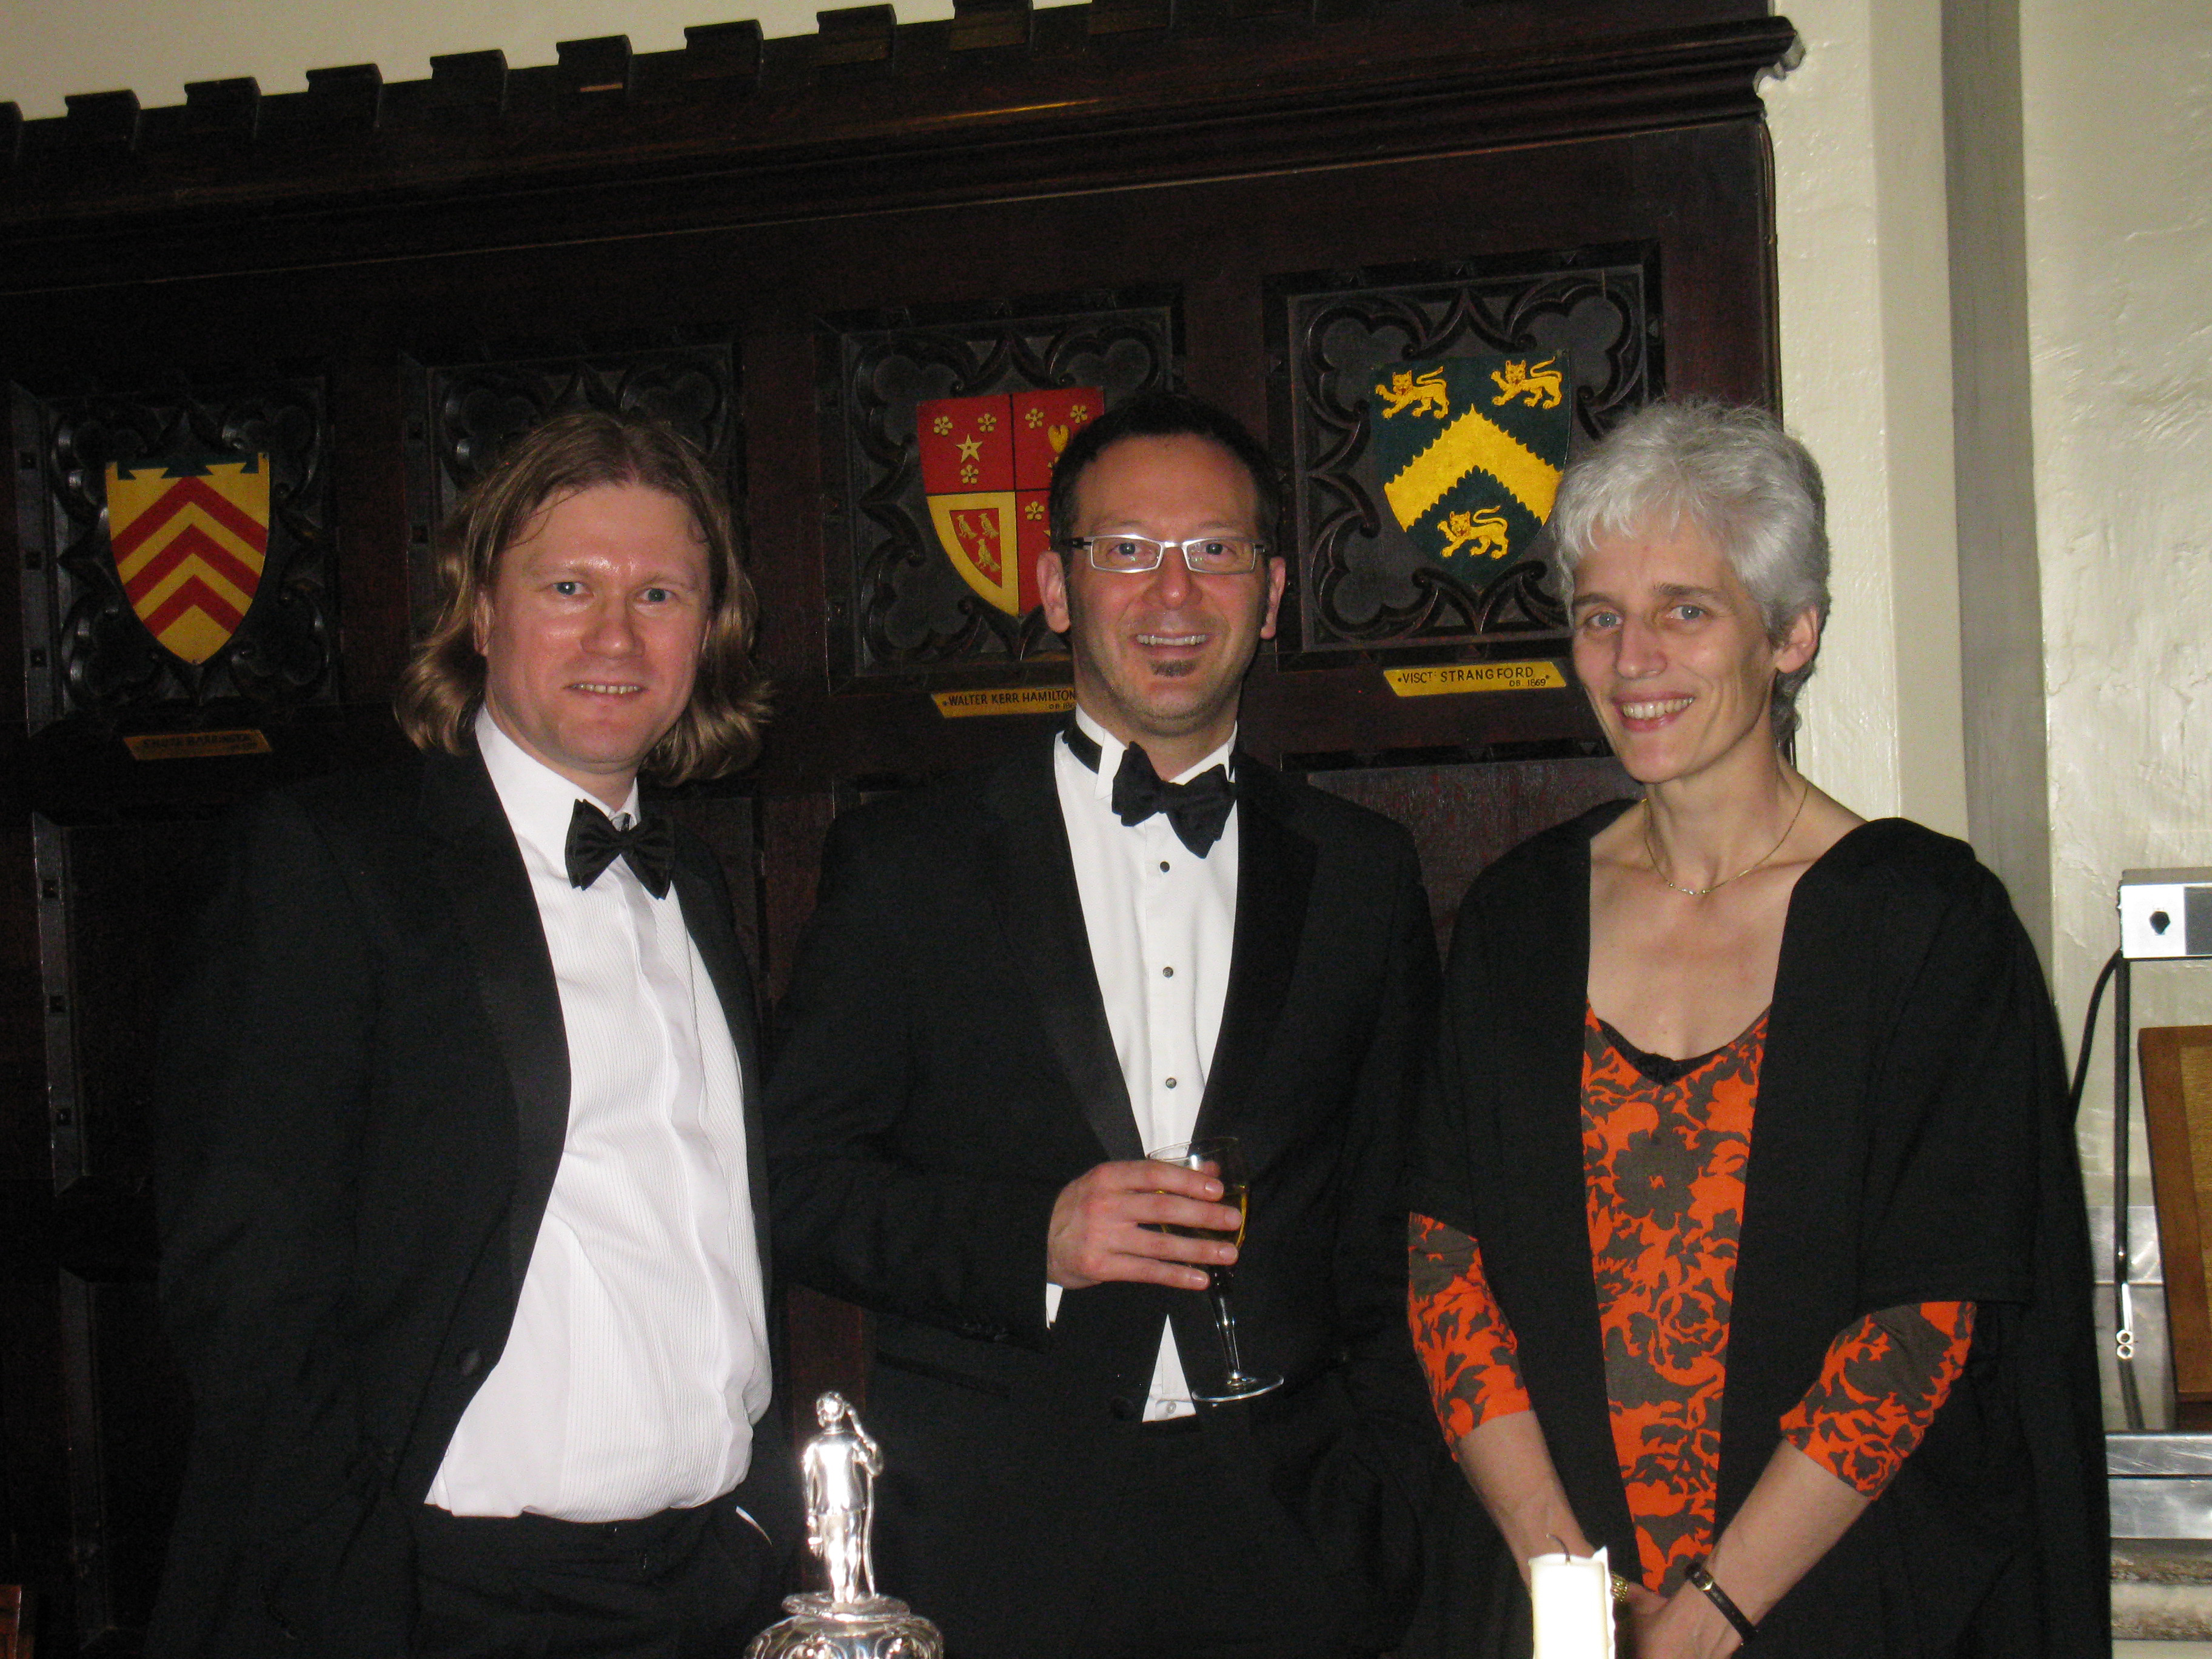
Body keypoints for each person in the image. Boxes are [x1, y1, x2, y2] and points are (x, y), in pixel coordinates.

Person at [1406, 400, 2108, 1655]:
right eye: (1600, 617)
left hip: (1843, 1603)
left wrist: (1714, 1615)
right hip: (1558, 1607)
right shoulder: (1517, 922)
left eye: (1687, 610)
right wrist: (1568, 1578)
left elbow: (1927, 1319)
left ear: (1792, 635)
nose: (1634, 663)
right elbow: (1443, 1268)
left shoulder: (1927, 926)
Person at [766, 390, 1448, 1659]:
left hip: (1299, 1532)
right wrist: (1035, 1236)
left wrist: (1395, 1493)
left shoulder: (1364, 872)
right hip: (1001, 1534)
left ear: (1276, 586)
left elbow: (1397, 1218)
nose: (1173, 596)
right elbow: (796, 1184)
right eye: (1126, 551)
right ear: (1056, 586)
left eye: (1216, 552)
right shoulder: (908, 861)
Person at [151, 410, 799, 1659]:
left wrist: (758, 1528)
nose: (617, 634)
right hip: (451, 1600)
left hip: (709, 1583)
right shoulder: (336, 862)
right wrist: (357, 1584)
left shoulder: (696, 886)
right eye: (569, 586)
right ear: (481, 614)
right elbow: (246, 1282)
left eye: (661, 592)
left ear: (707, 634)